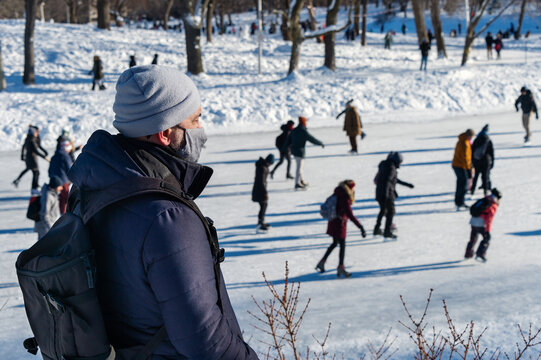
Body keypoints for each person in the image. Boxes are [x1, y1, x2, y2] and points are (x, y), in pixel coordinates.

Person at [68, 65, 258, 358]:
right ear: (166, 133)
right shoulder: (166, 217)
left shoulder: (94, 185)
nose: (201, 131)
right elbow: (206, 341)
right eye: (195, 120)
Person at [316, 180, 366, 278]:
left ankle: (322, 263)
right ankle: (341, 267)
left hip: (333, 221)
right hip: (339, 224)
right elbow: (350, 215)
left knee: (335, 243)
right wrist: (361, 227)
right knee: (342, 245)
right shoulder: (344, 197)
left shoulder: (338, 193)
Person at [373, 152, 414, 239]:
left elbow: (393, 179)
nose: (400, 164)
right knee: (390, 212)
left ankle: (376, 229)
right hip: (387, 194)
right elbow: (388, 181)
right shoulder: (391, 168)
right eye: (400, 162)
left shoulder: (385, 166)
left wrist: (407, 184)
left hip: (379, 192)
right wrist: (386, 194)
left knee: (383, 211)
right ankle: (387, 232)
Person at [284, 116, 324, 190]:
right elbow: (312, 139)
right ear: (304, 122)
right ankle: (297, 183)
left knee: (300, 167)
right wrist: (320, 143)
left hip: (294, 151)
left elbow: (288, 141)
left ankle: (301, 181)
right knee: (299, 168)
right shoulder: (303, 131)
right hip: (300, 152)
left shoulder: (294, 130)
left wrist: (283, 149)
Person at [465, 188, 502, 262]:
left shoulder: (485, 199)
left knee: (473, 238)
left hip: (473, 221)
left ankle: (468, 253)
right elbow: (489, 220)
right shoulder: (492, 205)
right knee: (486, 238)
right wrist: (488, 231)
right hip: (480, 223)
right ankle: (480, 253)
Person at [13, 125, 49, 193]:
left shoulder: (29, 138)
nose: (37, 133)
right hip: (32, 158)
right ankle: (34, 187)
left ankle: (34, 186)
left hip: (29, 157)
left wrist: (44, 152)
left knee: (33, 171)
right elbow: (35, 150)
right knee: (36, 172)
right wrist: (44, 157)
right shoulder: (32, 139)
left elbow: (37, 146)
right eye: (36, 132)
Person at [452, 129, 475, 210]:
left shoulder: (461, 140)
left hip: (457, 165)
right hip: (460, 165)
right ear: (469, 136)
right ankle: (460, 202)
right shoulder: (465, 143)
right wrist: (469, 169)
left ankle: (458, 201)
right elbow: (466, 158)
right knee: (463, 183)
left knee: (461, 182)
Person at [49, 140, 74, 214]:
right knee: (65, 199)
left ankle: (60, 215)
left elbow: (49, 170)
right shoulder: (66, 157)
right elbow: (70, 170)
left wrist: (52, 178)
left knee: (57, 199)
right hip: (63, 182)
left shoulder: (54, 156)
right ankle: (64, 216)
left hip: (53, 182)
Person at [252, 154, 275, 232]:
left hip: (259, 190)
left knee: (264, 205)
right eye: (270, 163)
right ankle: (260, 223)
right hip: (260, 191)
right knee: (264, 205)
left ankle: (261, 222)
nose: (270, 165)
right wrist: (265, 192)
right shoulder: (262, 168)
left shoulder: (263, 166)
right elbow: (261, 182)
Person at [471, 124, 494, 196]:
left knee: (476, 176)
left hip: (477, 161)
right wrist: (492, 162)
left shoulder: (476, 139)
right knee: (485, 177)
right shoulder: (488, 140)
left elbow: (472, 150)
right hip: (486, 161)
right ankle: (485, 192)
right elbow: (491, 152)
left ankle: (472, 190)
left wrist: (472, 161)